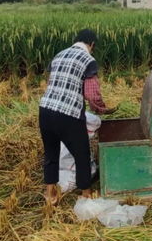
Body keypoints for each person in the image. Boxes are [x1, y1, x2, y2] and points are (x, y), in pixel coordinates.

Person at [39, 29, 107, 204]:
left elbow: (54, 81)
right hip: (68, 113)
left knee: (51, 153)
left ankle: (50, 193)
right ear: (91, 44)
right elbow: (92, 93)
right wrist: (100, 107)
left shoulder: (59, 55)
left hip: (45, 109)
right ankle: (86, 194)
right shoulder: (88, 60)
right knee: (82, 154)